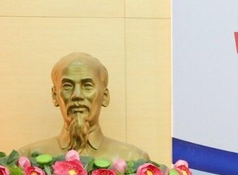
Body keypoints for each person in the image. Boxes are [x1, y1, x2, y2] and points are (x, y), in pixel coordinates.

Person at [18, 52, 149, 162]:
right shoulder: (27, 158)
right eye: (68, 86)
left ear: (105, 96)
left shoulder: (133, 159)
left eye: (87, 86)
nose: (77, 95)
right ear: (55, 95)